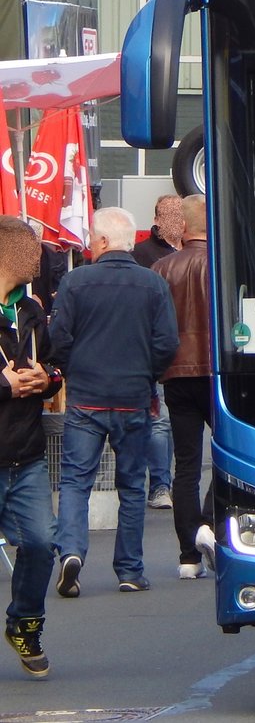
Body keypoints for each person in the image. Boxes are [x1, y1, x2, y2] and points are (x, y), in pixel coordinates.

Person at [50, 207, 179, 596]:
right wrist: (147, 375)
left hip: (87, 398)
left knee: (75, 481)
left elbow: (59, 339)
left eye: (91, 238)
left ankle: (71, 551)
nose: (89, 243)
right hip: (134, 398)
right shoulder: (152, 284)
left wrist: (76, 371)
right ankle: (129, 570)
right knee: (133, 487)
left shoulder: (75, 282)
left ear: (103, 241)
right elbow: (167, 343)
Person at [0, 216, 63, 678]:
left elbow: (56, 363)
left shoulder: (32, 311)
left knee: (42, 543)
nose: (38, 257)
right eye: (30, 248)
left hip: (26, 452)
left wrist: (47, 380)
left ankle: (24, 622)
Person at [152, 195, 216, 580]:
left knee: (186, 465)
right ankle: (209, 523)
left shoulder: (161, 268)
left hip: (176, 374)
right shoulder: (224, 263)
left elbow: (156, 329)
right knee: (228, 457)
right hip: (219, 374)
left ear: (184, 227)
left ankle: (187, 554)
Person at [132, 194, 185, 510]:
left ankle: (175, 482)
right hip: (157, 348)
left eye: (182, 214)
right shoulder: (143, 254)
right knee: (161, 420)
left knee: (177, 422)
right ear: (157, 219)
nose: (178, 220)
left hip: (190, 351)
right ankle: (160, 485)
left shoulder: (198, 249)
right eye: (172, 214)